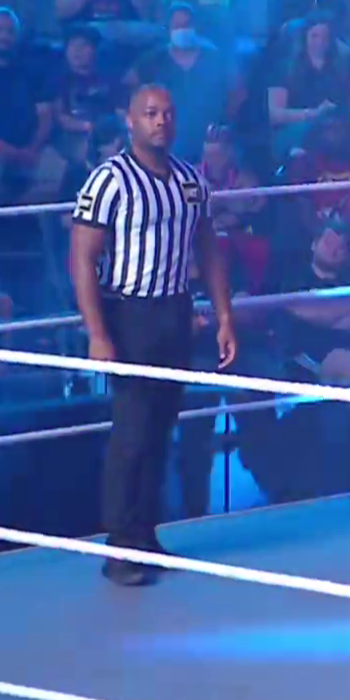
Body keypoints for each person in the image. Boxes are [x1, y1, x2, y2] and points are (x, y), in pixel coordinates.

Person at [69, 84, 238, 587]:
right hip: (129, 312)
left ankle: (144, 534)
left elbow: (208, 249)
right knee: (133, 429)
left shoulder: (190, 180)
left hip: (175, 310)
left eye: (167, 113)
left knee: (162, 425)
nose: (160, 121)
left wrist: (224, 315)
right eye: (150, 113)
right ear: (130, 120)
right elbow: (81, 257)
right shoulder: (109, 180)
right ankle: (121, 546)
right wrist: (97, 332)